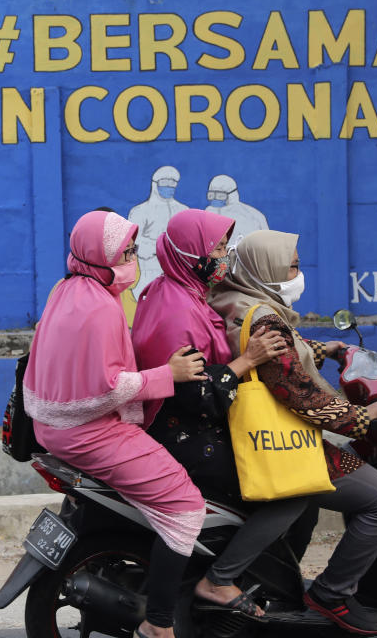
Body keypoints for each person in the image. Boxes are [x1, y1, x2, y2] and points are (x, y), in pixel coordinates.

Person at [210, 230, 377, 636]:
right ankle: (332, 593)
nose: (299, 273)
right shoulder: (264, 317)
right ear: (266, 269)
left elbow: (284, 352)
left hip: (263, 435)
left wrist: (327, 349)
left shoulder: (237, 300)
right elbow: (298, 392)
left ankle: (280, 587)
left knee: (307, 509)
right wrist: (363, 418)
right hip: (288, 442)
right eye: (292, 266)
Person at [24, 209, 206, 638]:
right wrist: (170, 375)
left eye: (133, 250)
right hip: (89, 431)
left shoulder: (67, 289)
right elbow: (107, 386)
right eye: (125, 252)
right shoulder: (98, 307)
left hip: (55, 426)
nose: (132, 259)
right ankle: (159, 623)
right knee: (186, 508)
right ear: (98, 255)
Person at [131, 209, 300, 618]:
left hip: (186, 426)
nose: (224, 257)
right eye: (218, 248)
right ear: (191, 254)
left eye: (225, 247)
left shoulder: (175, 291)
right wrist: (249, 359)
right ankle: (220, 580)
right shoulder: (179, 314)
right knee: (295, 487)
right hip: (187, 436)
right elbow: (199, 396)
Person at [128, 166, 189, 298]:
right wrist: (163, 245)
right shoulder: (140, 211)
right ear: (155, 184)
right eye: (164, 183)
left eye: (172, 183)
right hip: (148, 273)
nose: (169, 187)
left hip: (177, 275)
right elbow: (134, 242)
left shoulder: (183, 210)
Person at [204, 174, 268, 246]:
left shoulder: (252, 216)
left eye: (220, 196)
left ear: (232, 195)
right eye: (212, 195)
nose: (215, 199)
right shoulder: (207, 214)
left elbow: (264, 243)